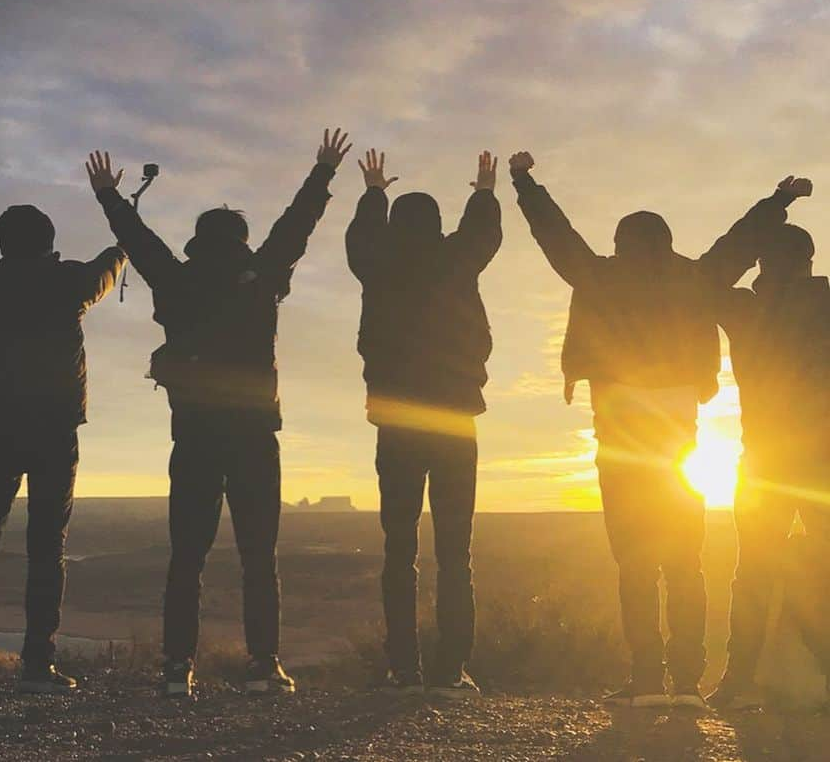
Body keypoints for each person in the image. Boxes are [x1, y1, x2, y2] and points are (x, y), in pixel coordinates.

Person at [509, 151, 807, 709]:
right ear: (666, 243)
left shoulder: (600, 273)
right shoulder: (692, 277)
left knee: (635, 561)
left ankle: (647, 679)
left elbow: (557, 238)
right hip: (676, 438)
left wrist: (525, 182)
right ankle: (688, 684)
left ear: (622, 242)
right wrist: (778, 201)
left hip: (621, 439)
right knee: (684, 561)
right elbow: (737, 247)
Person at [86, 129, 351, 700]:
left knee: (187, 556)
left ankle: (176, 667)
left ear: (199, 239)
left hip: (194, 437)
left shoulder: (176, 279)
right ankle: (264, 666)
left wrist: (109, 195)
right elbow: (294, 230)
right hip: (255, 435)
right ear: (242, 240)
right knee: (260, 555)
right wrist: (322, 172)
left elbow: (140, 239)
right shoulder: (262, 277)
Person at [0, 202, 125, 694]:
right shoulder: (67, 283)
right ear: (48, 240)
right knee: (47, 548)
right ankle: (38, 665)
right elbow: (104, 273)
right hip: (55, 431)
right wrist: (122, 248)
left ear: (2, 243)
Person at [346, 149, 501, 694]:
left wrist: (372, 194)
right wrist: (483, 192)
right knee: (455, 549)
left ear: (393, 225)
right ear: (437, 225)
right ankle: (450, 669)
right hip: (455, 418)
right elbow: (482, 239)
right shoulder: (453, 260)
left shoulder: (379, 265)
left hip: (397, 422)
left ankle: (402, 668)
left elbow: (358, 245)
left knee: (398, 547)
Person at [709, 201, 830, 710]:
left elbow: (713, 268)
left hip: (764, 456)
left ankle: (738, 682)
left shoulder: (743, 308)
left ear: (760, 263)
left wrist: (770, 210)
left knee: (752, 570)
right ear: (809, 260)